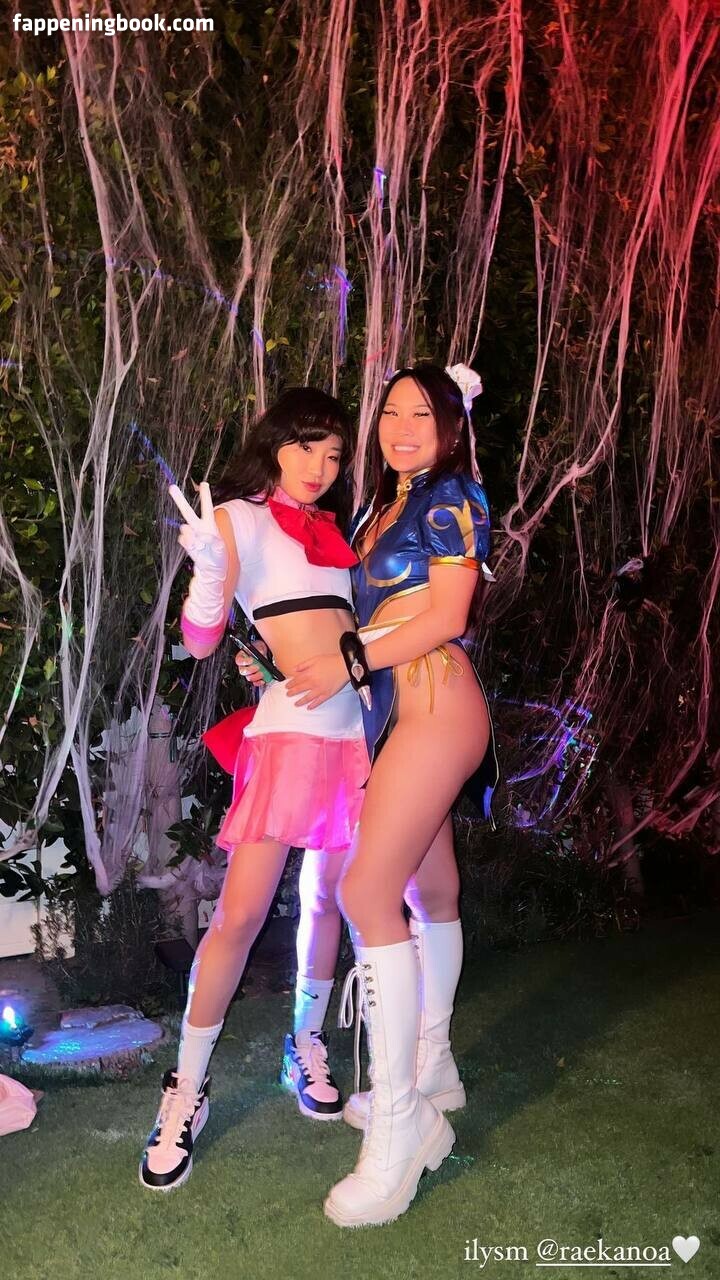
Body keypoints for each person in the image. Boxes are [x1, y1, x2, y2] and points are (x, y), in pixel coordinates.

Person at [284, 363, 500, 1227]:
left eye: (422, 413)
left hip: (435, 700)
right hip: (394, 714)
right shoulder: (380, 508)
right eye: (391, 411)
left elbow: (447, 614)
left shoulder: (452, 497)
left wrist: (348, 660)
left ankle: (401, 1121)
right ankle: (432, 1065)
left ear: (451, 429)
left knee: (365, 891)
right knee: (429, 890)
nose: (402, 426)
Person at [140, 388, 369, 1192]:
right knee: (239, 916)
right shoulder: (236, 517)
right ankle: (186, 1087)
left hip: (357, 736)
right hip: (288, 738)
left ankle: (304, 1043)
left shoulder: (337, 531)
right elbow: (200, 640)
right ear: (273, 444)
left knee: (327, 901)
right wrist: (209, 574)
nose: (320, 466)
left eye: (333, 454)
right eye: (305, 446)